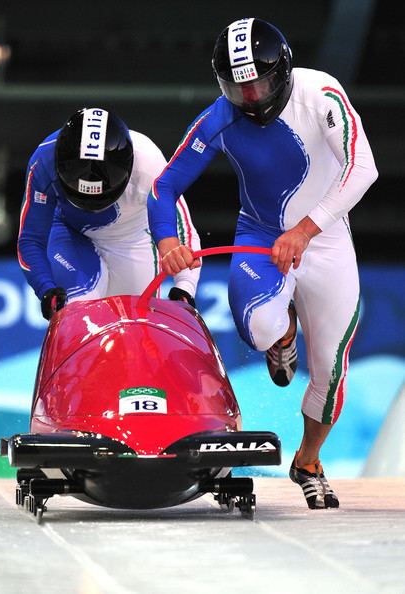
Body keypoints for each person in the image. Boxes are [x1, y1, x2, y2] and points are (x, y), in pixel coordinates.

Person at [147, 18, 378, 508]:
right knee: (260, 328)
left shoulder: (322, 95)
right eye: (238, 87)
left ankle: (309, 461)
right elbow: (163, 186)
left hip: (326, 237)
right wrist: (167, 239)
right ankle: (284, 334)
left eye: (261, 83)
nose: (252, 97)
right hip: (261, 236)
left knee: (331, 369)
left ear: (285, 71)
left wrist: (305, 230)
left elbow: (364, 167)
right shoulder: (218, 120)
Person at [17, 107, 201, 320]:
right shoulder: (43, 163)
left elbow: (182, 231)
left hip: (133, 239)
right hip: (70, 233)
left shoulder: (149, 163)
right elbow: (30, 239)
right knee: (79, 314)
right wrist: (45, 289)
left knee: (134, 328)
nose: (91, 205)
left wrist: (185, 287)